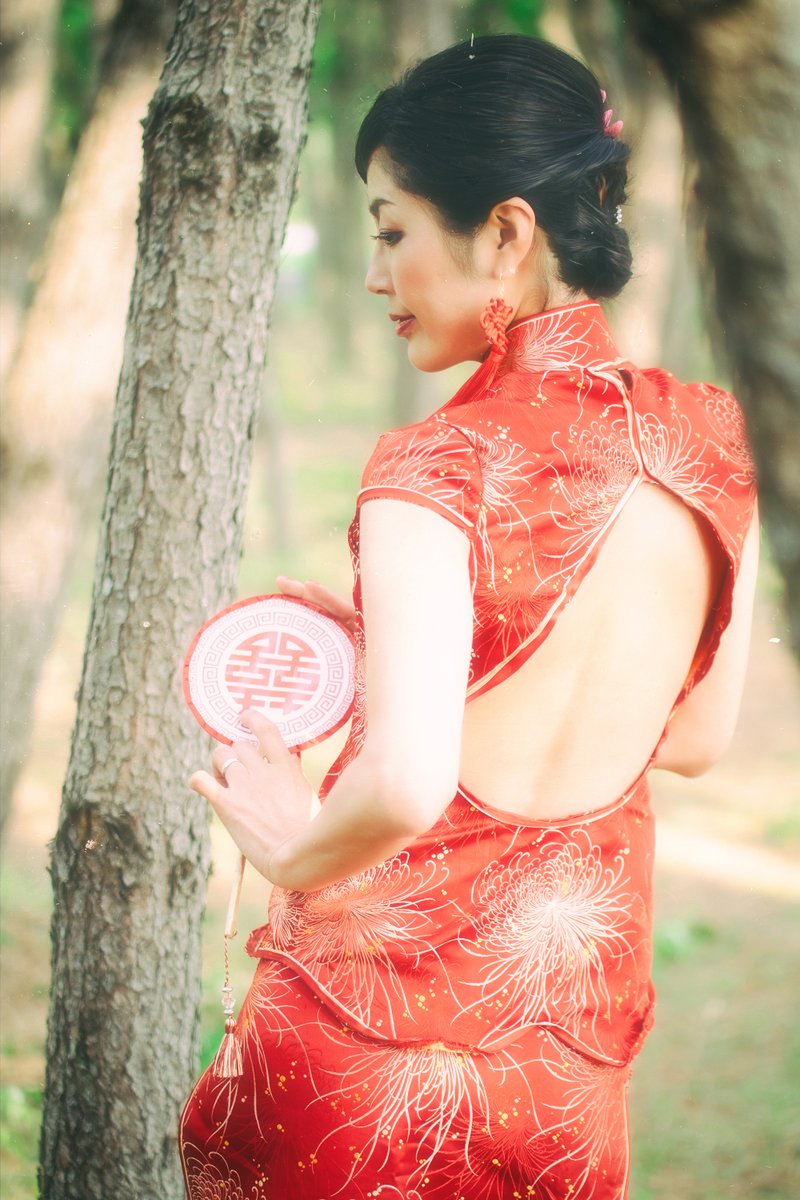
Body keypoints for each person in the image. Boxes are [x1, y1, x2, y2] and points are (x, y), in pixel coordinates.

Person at [179, 34, 758, 1200]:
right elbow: (694, 735)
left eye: (391, 231)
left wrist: (288, 842)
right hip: (563, 1076)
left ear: (503, 232)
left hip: (359, 1060)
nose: (373, 275)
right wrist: (406, 650)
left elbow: (404, 786)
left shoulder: (435, 465)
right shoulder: (708, 434)